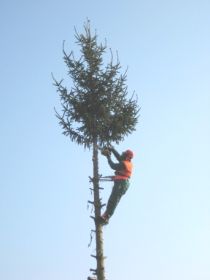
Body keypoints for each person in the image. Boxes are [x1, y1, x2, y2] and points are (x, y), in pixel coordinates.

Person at [100, 146, 134, 224]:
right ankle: (106, 215)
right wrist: (112, 149)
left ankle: (106, 217)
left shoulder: (125, 164)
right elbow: (119, 157)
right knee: (113, 199)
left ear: (126, 156)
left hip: (121, 183)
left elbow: (113, 166)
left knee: (113, 200)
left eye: (124, 153)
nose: (122, 153)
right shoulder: (127, 162)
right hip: (122, 182)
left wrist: (108, 157)